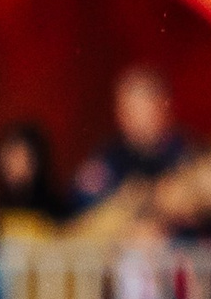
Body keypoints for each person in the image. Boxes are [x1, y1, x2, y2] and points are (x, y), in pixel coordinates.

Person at [72, 67, 196, 213]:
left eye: (143, 107)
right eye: (128, 109)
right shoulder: (108, 159)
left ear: (164, 106)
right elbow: (78, 212)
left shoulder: (190, 152)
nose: (134, 119)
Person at [0, 122, 67, 240]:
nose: (9, 165)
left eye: (16, 156)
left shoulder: (55, 209)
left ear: (34, 160)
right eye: (5, 157)